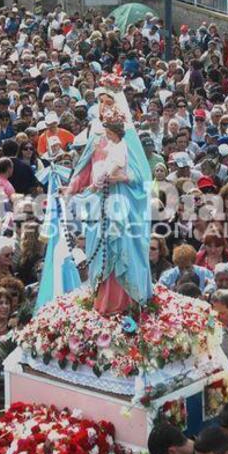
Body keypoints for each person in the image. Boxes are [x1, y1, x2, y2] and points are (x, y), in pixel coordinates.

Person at [67, 93, 152, 315]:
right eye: (101, 102)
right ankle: (103, 306)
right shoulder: (95, 139)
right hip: (99, 206)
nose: (104, 106)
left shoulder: (127, 139)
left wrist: (122, 177)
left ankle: (129, 307)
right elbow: (83, 173)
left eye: (109, 102)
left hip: (124, 206)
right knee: (100, 253)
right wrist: (69, 189)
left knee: (124, 252)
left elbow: (143, 177)